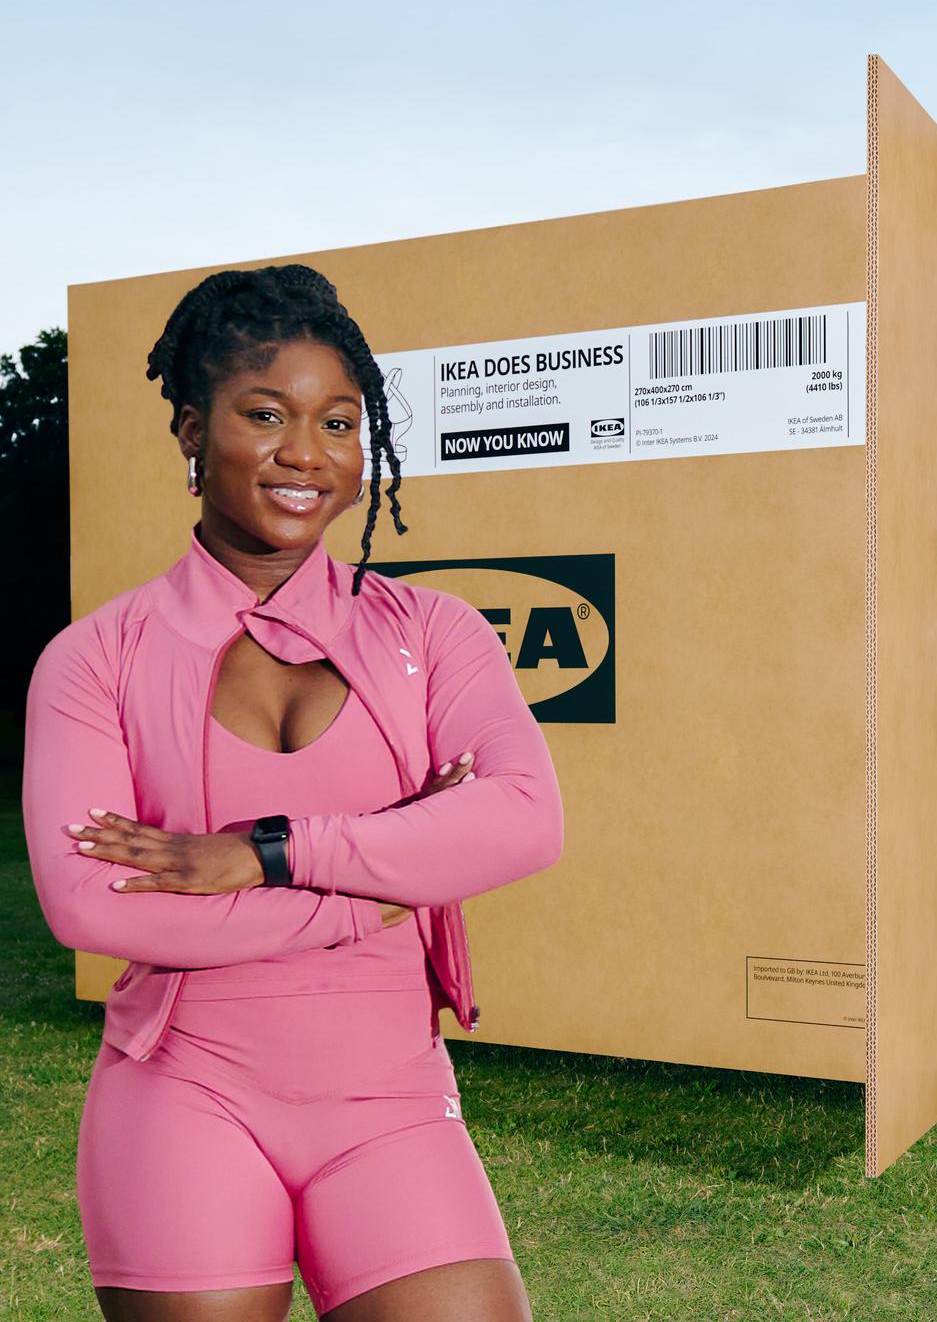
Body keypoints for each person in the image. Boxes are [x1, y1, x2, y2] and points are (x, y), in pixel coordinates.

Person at [22, 265, 564, 1321]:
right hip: (183, 1092)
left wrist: (267, 848)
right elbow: (89, 903)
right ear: (191, 429)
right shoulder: (98, 659)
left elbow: (524, 819)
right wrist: (393, 870)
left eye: (338, 421)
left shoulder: (431, 633)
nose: (306, 454)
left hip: (392, 1098)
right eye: (264, 414)